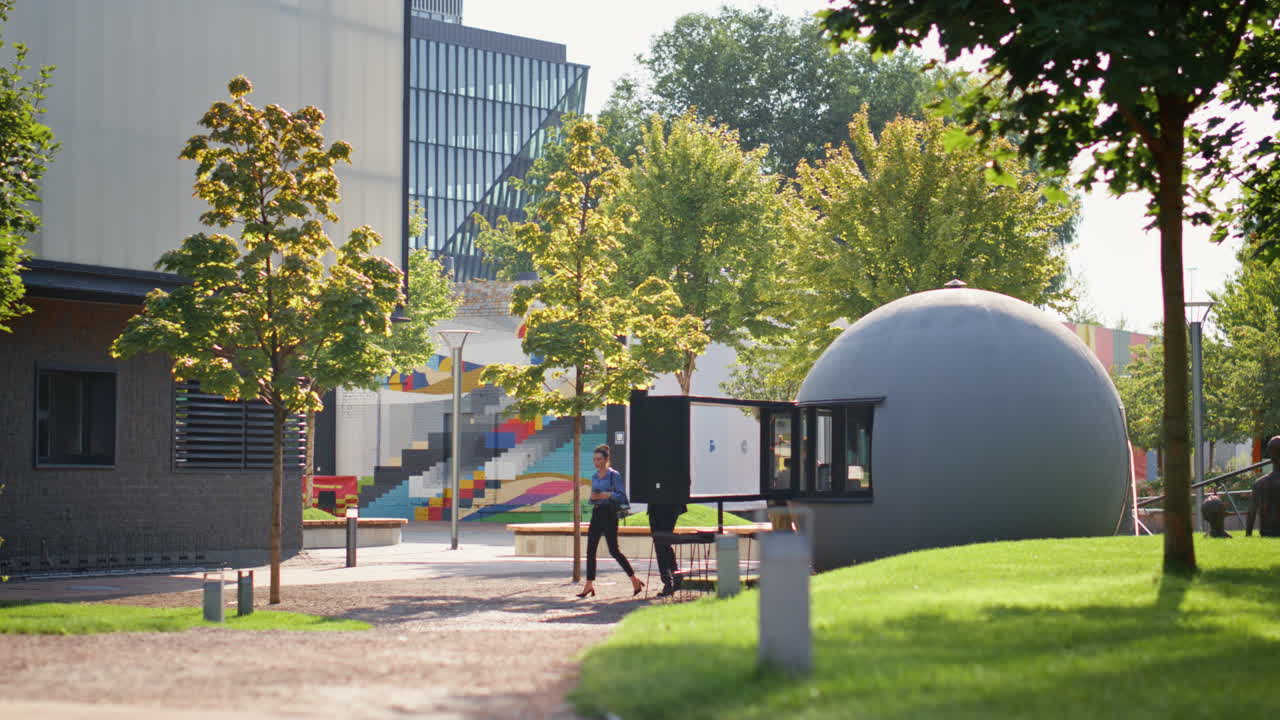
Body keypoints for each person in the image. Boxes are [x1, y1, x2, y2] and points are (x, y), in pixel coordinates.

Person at [577, 444, 644, 598]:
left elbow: (621, 495)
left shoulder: (614, 475)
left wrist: (605, 495)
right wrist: (594, 497)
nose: (596, 462)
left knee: (614, 550)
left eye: (599, 459)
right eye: (594, 459)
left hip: (609, 514)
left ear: (606, 460)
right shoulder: (594, 476)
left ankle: (634, 579)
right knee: (590, 550)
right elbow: (594, 496)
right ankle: (588, 584)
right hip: (597, 512)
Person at [648, 500, 687, 597]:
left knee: (662, 543)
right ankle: (674, 578)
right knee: (661, 543)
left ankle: (669, 581)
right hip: (656, 505)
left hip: (670, 504)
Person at [1246, 435, 1280, 537]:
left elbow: (1251, 512)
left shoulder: (1260, 483)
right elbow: (1251, 512)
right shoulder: (1260, 483)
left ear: (1270, 454)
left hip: (1267, 532)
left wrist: (1248, 534)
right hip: (1267, 532)